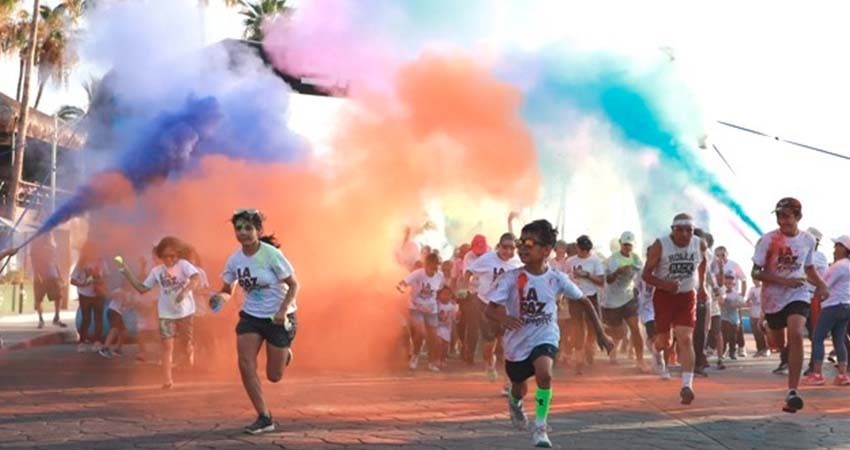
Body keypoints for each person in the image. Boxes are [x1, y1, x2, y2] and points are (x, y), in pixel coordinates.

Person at [485, 219, 613, 448]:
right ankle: (515, 404)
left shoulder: (556, 278)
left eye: (529, 243)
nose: (522, 247)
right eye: (520, 242)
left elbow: (585, 302)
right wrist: (504, 318)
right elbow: (490, 309)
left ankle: (540, 429)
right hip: (517, 342)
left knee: (545, 374)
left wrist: (601, 333)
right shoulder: (511, 278)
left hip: (545, 335)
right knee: (519, 387)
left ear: (546, 250)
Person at [209, 210, 298, 434]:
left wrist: (282, 311)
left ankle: (284, 351)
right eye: (238, 228)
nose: (243, 233)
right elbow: (228, 289)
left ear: (258, 231)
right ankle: (264, 417)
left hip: (278, 318)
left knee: (274, 376)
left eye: (248, 228)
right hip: (251, 316)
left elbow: (294, 285)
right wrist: (219, 298)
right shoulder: (234, 260)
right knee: (245, 363)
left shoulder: (271, 255)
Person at [751, 197, 828, 413]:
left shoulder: (808, 240)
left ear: (798, 217)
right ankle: (768, 328)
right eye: (778, 216)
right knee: (777, 343)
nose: (781, 220)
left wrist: (821, 285)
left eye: (786, 215)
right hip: (773, 298)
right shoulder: (767, 240)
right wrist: (783, 281)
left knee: (796, 334)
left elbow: (810, 267)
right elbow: (755, 272)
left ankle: (792, 391)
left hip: (798, 293)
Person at [119, 236, 201, 390]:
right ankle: (167, 379)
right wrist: (127, 273)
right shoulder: (157, 271)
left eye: (173, 256)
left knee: (186, 345)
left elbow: (196, 278)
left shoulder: (184, 265)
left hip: (186, 312)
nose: (169, 259)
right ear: (160, 256)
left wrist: (185, 290)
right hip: (166, 314)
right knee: (167, 347)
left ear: (178, 254)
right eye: (165, 256)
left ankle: (188, 355)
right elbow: (142, 288)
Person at [642, 213, 708, 405]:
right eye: (681, 230)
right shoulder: (660, 245)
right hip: (664, 296)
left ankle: (687, 386)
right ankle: (656, 349)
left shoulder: (699, 244)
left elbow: (703, 263)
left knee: (685, 338)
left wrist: (702, 286)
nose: (685, 234)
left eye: (690, 230)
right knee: (665, 341)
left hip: (687, 295)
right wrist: (664, 284)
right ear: (673, 230)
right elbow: (646, 274)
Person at [464, 233, 522, 382]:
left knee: (507, 342)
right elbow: (469, 271)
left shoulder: (518, 262)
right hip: (486, 304)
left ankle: (510, 379)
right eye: (505, 247)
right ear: (499, 246)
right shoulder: (487, 259)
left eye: (511, 248)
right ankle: (489, 364)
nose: (508, 251)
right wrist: (465, 287)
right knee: (490, 342)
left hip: (506, 307)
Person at [802, 235, 850, 386]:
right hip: (846, 305)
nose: (834, 248)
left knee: (818, 338)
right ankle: (843, 375)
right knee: (839, 339)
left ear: (844, 248)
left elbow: (823, 286)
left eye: (837, 245)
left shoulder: (839, 266)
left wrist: (803, 276)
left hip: (832, 305)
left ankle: (816, 374)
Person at [603, 231, 645, 371]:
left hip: (629, 298)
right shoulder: (612, 260)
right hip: (613, 300)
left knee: (635, 328)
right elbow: (608, 280)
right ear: (621, 244)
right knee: (618, 332)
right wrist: (617, 272)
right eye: (625, 245)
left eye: (630, 245)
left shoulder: (636, 259)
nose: (628, 247)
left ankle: (640, 360)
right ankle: (612, 348)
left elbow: (641, 273)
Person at [397, 252, 444, 372]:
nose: (435, 268)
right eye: (433, 265)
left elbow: (439, 290)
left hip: (431, 309)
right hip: (416, 307)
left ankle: (432, 362)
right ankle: (415, 356)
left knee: (434, 337)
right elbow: (404, 282)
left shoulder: (439, 276)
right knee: (421, 332)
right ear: (427, 264)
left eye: (437, 265)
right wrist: (401, 287)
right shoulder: (418, 274)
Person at [565, 235, 605, 372]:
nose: (585, 253)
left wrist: (587, 275)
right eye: (582, 250)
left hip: (591, 297)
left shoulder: (595, 261)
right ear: (577, 248)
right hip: (575, 297)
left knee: (593, 326)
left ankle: (589, 346)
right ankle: (579, 358)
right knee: (578, 327)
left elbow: (601, 281)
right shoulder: (570, 261)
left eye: (587, 250)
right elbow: (564, 278)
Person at [71, 242, 109, 352]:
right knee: (86, 318)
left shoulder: (101, 262)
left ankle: (97, 342)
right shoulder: (81, 264)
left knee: (98, 318)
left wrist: (100, 282)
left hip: (98, 294)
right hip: (85, 294)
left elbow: (107, 276)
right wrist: (82, 284)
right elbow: (72, 280)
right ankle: (82, 342)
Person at [459, 234, 489, 364]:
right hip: (472, 293)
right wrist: (463, 293)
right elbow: (467, 274)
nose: (479, 254)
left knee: (488, 326)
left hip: (488, 294)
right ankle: (469, 354)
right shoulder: (468, 256)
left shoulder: (491, 254)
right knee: (472, 326)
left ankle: (490, 356)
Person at [30, 232, 67, 329]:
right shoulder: (36, 247)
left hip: (53, 276)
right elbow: (34, 262)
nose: (50, 236)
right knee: (38, 299)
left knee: (59, 296)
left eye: (50, 235)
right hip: (40, 278)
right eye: (48, 235)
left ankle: (57, 317)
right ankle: (41, 319)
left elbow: (55, 262)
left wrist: (59, 276)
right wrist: (37, 275)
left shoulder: (53, 247)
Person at [435, 286, 459, 368]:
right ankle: (437, 359)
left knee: (445, 345)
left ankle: (443, 359)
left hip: (447, 328)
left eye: (448, 294)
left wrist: (458, 316)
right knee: (439, 342)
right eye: (444, 294)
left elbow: (454, 319)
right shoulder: (436, 304)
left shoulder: (451, 306)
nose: (446, 296)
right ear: (439, 295)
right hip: (437, 327)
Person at [746, 279, 769, 357]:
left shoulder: (764, 288)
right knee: (756, 333)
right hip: (753, 313)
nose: (755, 281)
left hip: (762, 313)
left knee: (763, 332)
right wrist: (749, 301)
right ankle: (759, 349)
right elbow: (747, 301)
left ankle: (766, 349)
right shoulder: (751, 290)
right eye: (754, 279)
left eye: (757, 279)